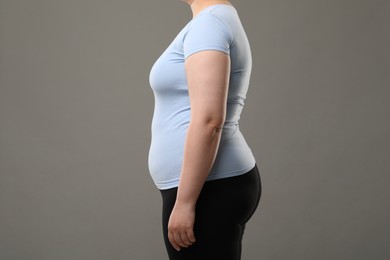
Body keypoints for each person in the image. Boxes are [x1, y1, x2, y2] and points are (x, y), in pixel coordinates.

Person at [148, 0, 261, 259]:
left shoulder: (210, 23)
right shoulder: (210, 21)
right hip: (206, 185)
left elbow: (210, 120)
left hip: (209, 188)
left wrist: (186, 203)